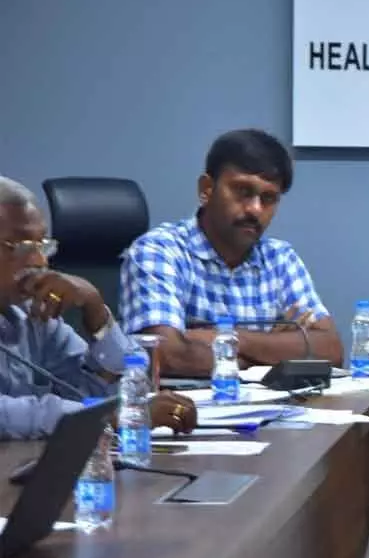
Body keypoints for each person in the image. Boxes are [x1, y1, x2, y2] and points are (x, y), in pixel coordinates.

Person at [119, 129, 343, 377]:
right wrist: (274, 349)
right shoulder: (159, 251)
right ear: (206, 189)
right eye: (243, 191)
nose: (255, 209)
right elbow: (167, 356)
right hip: (184, 412)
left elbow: (331, 351)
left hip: (274, 411)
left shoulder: (280, 258)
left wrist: (229, 339)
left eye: (268, 198)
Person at [0, 177, 196, 440]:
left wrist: (96, 311)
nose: (40, 260)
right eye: (23, 246)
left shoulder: (31, 315)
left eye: (43, 245)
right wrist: (111, 417)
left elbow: (113, 389)